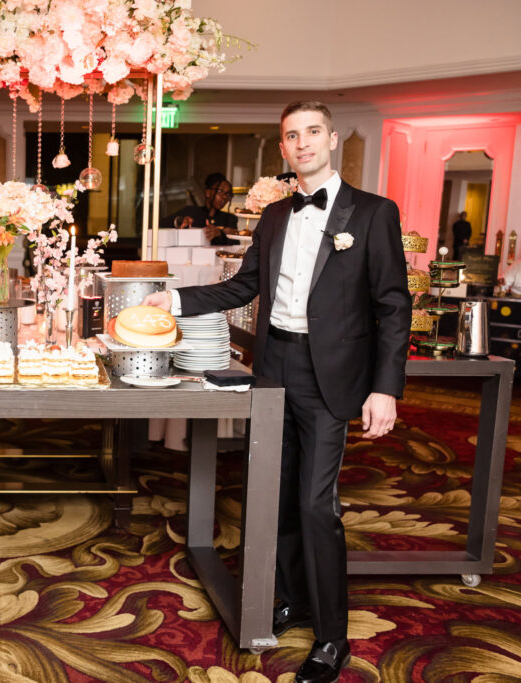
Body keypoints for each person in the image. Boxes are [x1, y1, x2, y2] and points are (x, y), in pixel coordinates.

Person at [144, 102, 411, 683]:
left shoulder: (372, 214)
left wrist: (385, 388)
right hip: (276, 366)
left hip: (332, 375)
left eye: (312, 132)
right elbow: (244, 285)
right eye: (292, 136)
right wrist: (177, 300)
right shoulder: (273, 217)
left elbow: (393, 306)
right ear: (284, 150)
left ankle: (332, 637)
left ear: (333, 139)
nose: (303, 143)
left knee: (318, 505)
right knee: (277, 494)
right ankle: (290, 598)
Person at [162, 172, 239, 246]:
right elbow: (161, 225)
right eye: (220, 191)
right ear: (208, 193)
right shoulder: (191, 212)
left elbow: (235, 245)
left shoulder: (230, 219)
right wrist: (179, 222)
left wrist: (220, 234)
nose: (224, 197)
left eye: (228, 194)